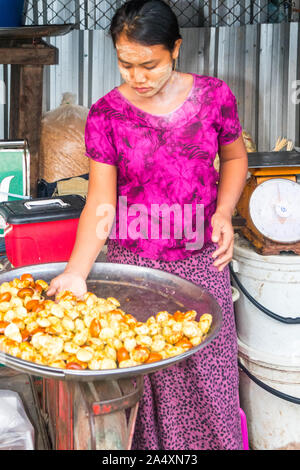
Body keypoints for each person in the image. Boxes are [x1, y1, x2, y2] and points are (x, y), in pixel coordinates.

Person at [47, 0, 248, 450]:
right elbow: (100, 199)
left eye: (150, 64)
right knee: (143, 386)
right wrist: (76, 271)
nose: (137, 77)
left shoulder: (215, 96)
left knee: (207, 385)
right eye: (125, 64)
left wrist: (223, 212)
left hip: (200, 264)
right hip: (133, 272)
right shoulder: (106, 115)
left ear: (175, 49)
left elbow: (235, 158)